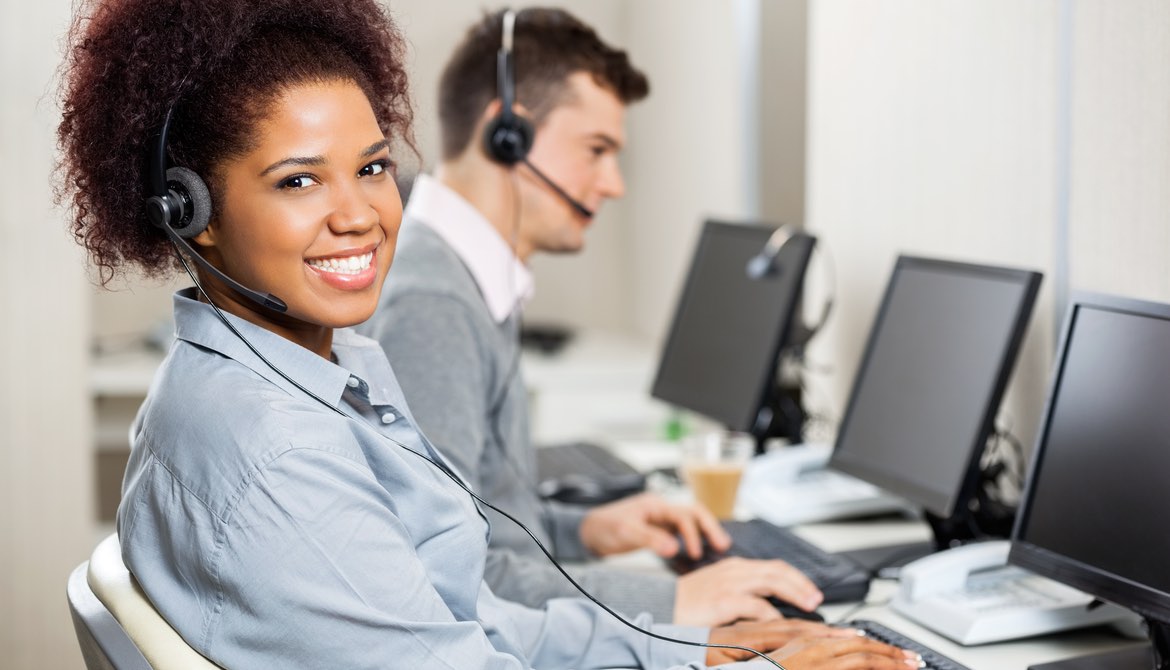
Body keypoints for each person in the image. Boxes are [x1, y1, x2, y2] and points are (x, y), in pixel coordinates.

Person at [57, 0, 922, 668]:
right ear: (191, 213)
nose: (358, 214)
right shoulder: (277, 449)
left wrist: (708, 649)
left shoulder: (305, 369)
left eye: (371, 168)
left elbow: (467, 611)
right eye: (298, 182)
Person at [361, 7, 823, 627]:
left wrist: (588, 529)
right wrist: (674, 602)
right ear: (508, 137)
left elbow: (478, 518)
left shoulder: (463, 275)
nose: (614, 184)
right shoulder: (434, 305)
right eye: (596, 150)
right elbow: (453, 579)